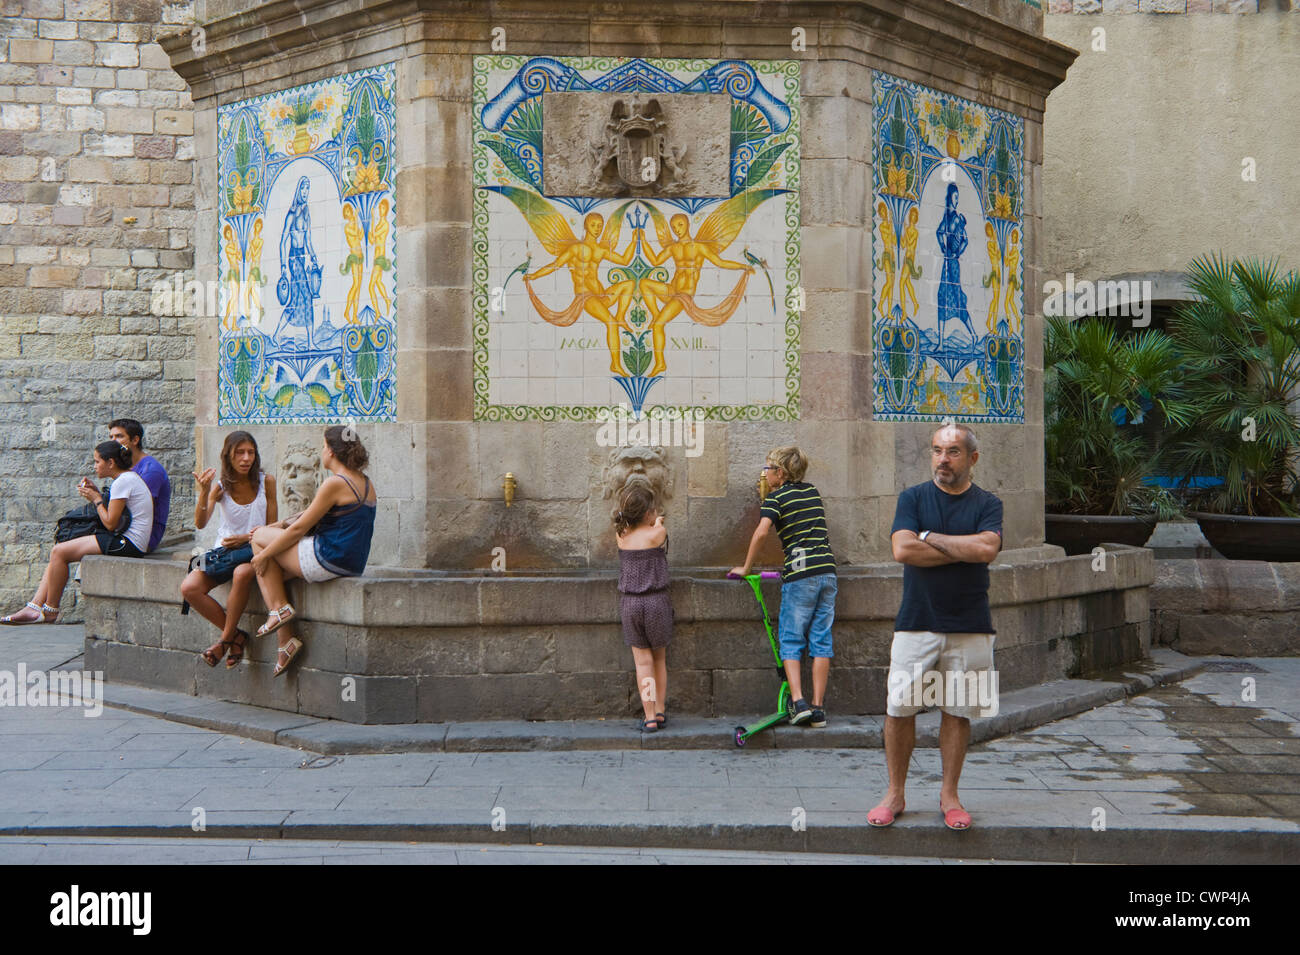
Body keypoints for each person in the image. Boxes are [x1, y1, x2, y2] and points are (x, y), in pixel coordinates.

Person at [869, 423, 1003, 832]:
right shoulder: (913, 498)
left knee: (958, 712)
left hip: (970, 623)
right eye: (936, 450)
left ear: (972, 458)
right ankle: (895, 793)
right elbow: (902, 549)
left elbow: (988, 549)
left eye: (953, 451)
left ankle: (950, 795)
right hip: (917, 621)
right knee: (899, 709)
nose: (942, 459)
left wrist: (931, 539)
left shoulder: (988, 502)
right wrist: (963, 549)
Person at [247, 425, 376, 677]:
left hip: (327, 557)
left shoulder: (335, 483)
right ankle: (285, 641)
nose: (322, 451)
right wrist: (275, 527)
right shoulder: (365, 482)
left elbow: (299, 529)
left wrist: (261, 554)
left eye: (324, 446)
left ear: (332, 452)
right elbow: (304, 516)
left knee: (259, 540)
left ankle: (281, 616)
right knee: (272, 571)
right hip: (350, 562)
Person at [730, 446, 837, 728]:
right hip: (827, 572)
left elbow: (762, 531)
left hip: (800, 576)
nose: (763, 473)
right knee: (821, 640)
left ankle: (799, 702)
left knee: (791, 639)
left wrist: (746, 567)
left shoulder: (775, 499)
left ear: (780, 473)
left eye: (767, 468)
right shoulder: (812, 491)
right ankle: (818, 709)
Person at [1, 441, 153, 624]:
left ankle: (50, 610)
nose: (94, 466)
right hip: (125, 540)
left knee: (59, 552)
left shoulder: (123, 482)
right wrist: (96, 492)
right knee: (61, 549)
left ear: (110, 463)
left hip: (128, 544)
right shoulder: (127, 479)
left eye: (97, 462)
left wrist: (96, 499)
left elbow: (111, 524)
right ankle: (34, 606)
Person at [183, 431, 278, 669]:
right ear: (229, 456)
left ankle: (224, 641)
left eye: (251, 452)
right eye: (240, 453)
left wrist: (246, 538)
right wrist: (204, 492)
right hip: (223, 552)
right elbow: (201, 522)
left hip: (255, 550)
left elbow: (274, 527)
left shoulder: (267, 482)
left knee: (243, 574)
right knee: (189, 588)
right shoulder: (221, 486)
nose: (246, 458)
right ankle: (236, 636)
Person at [613, 484, 672, 733]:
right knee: (659, 658)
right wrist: (657, 521)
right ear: (648, 513)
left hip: (631, 605)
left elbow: (627, 526)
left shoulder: (622, 536)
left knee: (642, 663)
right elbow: (658, 531)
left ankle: (648, 716)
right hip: (656, 602)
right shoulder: (656, 533)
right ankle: (659, 710)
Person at [109, 418, 171, 552]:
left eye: (119, 436)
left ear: (135, 440)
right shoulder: (125, 467)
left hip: (142, 537)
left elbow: (138, 508)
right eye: (111, 436)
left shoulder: (150, 470)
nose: (113, 441)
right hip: (125, 529)